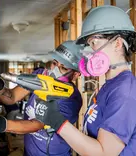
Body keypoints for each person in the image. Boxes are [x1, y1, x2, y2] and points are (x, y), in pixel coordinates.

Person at [34, 5, 136, 156]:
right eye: (89, 44)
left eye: (94, 43)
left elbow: (104, 152)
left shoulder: (124, 91)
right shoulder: (110, 85)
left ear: (117, 43)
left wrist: (57, 121)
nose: (89, 52)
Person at [0, 40, 83, 156]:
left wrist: (0, 124)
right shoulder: (41, 76)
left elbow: (36, 125)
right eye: (55, 63)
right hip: (28, 152)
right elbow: (12, 97)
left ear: (75, 74)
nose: (54, 71)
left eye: (63, 68)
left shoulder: (71, 99)